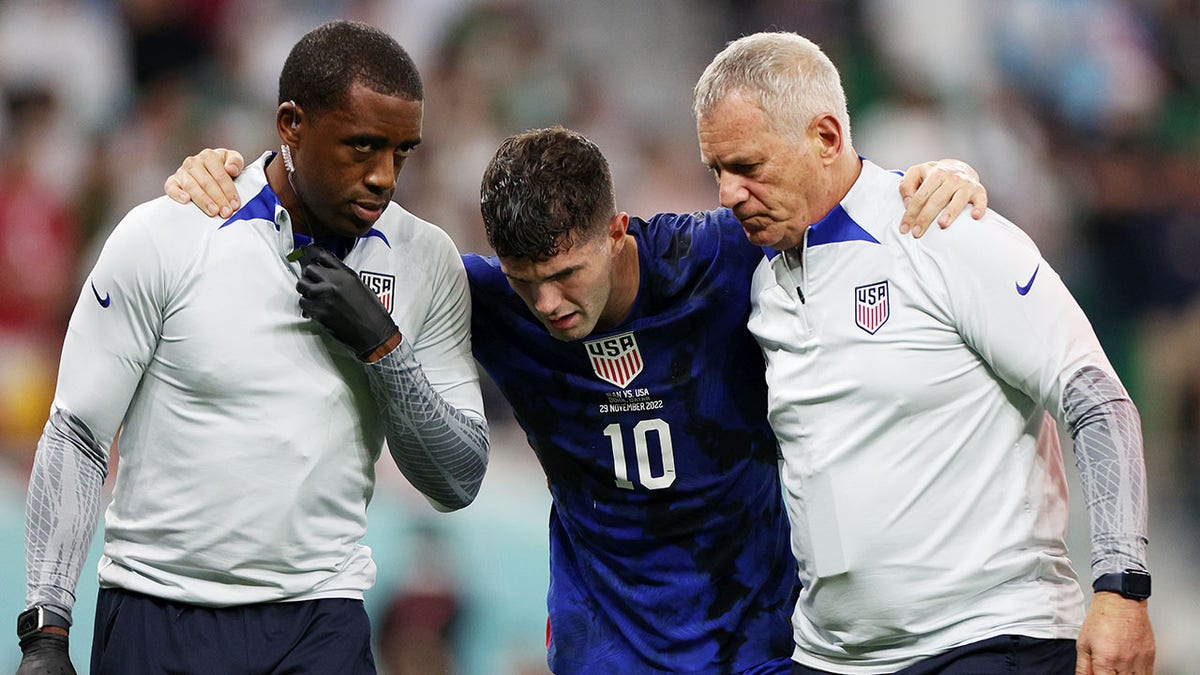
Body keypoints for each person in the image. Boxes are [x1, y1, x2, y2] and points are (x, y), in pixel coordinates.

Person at [166, 127, 986, 673]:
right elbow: (313, 217)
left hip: (761, 629)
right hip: (606, 641)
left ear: (617, 231)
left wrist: (939, 179)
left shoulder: (717, 258)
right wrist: (228, 174)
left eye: (567, 275)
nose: (549, 304)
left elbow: (833, 197)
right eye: (527, 283)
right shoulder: (483, 298)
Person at [16, 20, 489, 675]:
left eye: (401, 152)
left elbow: (458, 479)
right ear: (291, 125)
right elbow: (78, 434)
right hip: (160, 610)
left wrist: (385, 349)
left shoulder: (425, 258)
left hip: (322, 617)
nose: (384, 176)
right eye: (362, 147)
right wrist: (45, 629)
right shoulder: (169, 233)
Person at [692, 31, 1155, 674]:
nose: (726, 194)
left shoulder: (942, 229)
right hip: (833, 658)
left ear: (826, 138)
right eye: (715, 170)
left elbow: (1098, 401)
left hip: (988, 642)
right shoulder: (763, 280)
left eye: (747, 167)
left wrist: (1121, 587)